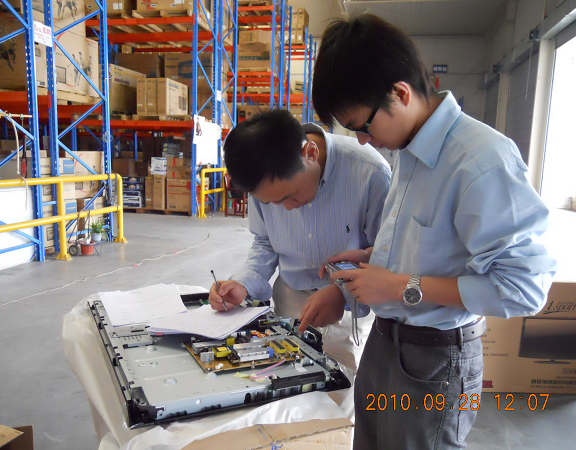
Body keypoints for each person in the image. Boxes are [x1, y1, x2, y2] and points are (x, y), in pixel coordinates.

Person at [309, 14, 557, 450]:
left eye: (363, 126)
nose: (364, 140)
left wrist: (398, 285)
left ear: (400, 94)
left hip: (435, 360)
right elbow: (434, 246)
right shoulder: (408, 149)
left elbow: (524, 288)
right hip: (385, 344)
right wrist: (372, 257)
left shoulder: (480, 162)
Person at [208, 109, 391, 416]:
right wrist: (244, 283)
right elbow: (265, 241)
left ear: (311, 153)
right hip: (290, 300)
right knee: (286, 400)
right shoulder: (261, 176)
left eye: (290, 196)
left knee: (338, 405)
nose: (287, 209)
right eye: (273, 202)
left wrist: (343, 293)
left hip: (348, 309)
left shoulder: (370, 173)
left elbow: (387, 256)